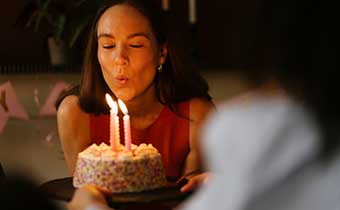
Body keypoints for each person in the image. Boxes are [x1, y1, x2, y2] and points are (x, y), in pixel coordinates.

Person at [56, 0, 213, 194]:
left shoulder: (196, 116)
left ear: (161, 53)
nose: (120, 58)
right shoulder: (74, 113)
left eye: (136, 45)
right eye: (108, 45)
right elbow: (85, 197)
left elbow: (190, 200)